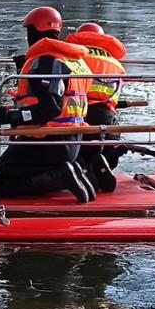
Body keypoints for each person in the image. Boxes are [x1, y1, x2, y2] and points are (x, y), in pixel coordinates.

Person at [0, 6, 97, 202]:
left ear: (35, 31)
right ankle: (72, 170)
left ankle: (60, 177)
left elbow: (50, 108)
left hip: (47, 141)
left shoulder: (46, 60)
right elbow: (54, 97)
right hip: (72, 141)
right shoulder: (75, 61)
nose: (28, 36)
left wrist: (12, 117)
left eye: (29, 31)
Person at [65, 22, 129, 194]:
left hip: (81, 115)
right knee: (100, 140)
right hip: (107, 116)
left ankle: (85, 171)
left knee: (66, 144)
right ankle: (101, 161)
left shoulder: (76, 57)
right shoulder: (114, 62)